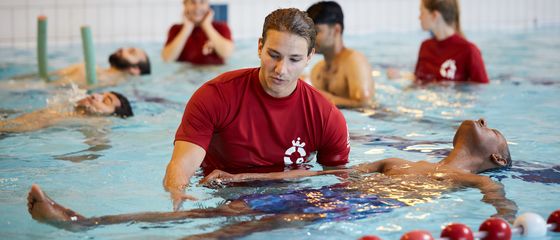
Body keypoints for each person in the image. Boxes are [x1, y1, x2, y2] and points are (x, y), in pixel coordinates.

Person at [26, 119, 517, 239]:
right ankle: (83, 222)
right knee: (213, 215)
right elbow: (322, 172)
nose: (482, 119)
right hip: (326, 196)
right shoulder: (396, 161)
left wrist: (509, 224)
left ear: (495, 157)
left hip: (350, 212)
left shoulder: (475, 183)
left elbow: (505, 212)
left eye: (494, 130)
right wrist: (243, 180)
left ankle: (84, 226)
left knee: (226, 230)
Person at [163, 8, 350, 210]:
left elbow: (337, 184)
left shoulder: (326, 116)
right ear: (260, 47)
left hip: (290, 199)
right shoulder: (215, 96)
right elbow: (182, 164)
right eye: (274, 55)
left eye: (294, 59)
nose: (281, 69)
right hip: (222, 196)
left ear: (309, 57)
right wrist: (177, 194)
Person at [388, 0, 489, 83]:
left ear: (434, 15)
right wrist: (401, 76)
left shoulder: (469, 51)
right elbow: (419, 80)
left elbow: (481, 89)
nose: (419, 17)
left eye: (422, 13)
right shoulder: (425, 46)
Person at [306, 1, 374, 108]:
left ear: (336, 30)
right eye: (309, 33)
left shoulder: (354, 61)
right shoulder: (317, 70)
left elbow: (365, 105)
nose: (310, 38)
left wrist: (321, 97)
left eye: (316, 31)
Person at [0, 91, 133, 133]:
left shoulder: (97, 123)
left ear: (113, 115)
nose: (95, 96)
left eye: (105, 101)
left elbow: (97, 148)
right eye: (101, 94)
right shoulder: (65, 107)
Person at [161, 0, 234, 64]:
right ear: (185, 5)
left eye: (202, 2)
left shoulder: (221, 27)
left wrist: (207, 26)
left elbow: (227, 53)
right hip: (185, 75)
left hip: (213, 73)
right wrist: (187, 28)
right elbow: (167, 58)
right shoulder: (175, 29)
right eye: (193, 2)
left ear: (208, 5)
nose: (197, 7)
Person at [48, 47, 150, 88]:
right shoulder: (84, 65)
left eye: (131, 52)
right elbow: (45, 77)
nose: (123, 49)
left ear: (135, 69)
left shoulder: (114, 85)